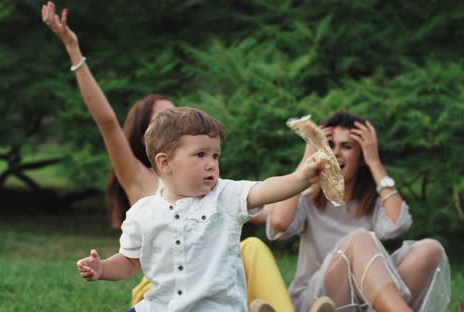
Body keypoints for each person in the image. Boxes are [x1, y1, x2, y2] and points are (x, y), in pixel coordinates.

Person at [41, 3, 295, 310]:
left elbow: (273, 211)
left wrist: (307, 172)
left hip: (211, 291)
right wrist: (72, 48)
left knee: (252, 246)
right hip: (162, 295)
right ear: (156, 148)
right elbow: (106, 121)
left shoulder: (216, 189)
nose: (174, 120)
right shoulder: (137, 179)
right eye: (164, 117)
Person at [75, 106, 325, 311]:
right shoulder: (143, 213)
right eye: (200, 155)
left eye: (215, 156)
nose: (211, 164)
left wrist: (300, 178)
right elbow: (129, 262)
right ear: (165, 162)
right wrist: (103, 269)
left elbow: (266, 189)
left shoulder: (226, 196)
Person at [264, 111, 451, 312]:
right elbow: (279, 223)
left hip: (364, 299)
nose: (335, 153)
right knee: (359, 239)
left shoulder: (372, 202)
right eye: (329, 145)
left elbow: (399, 224)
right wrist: (308, 156)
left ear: (361, 156)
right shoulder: (308, 197)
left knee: (430, 250)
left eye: (346, 146)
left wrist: (374, 162)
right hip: (317, 302)